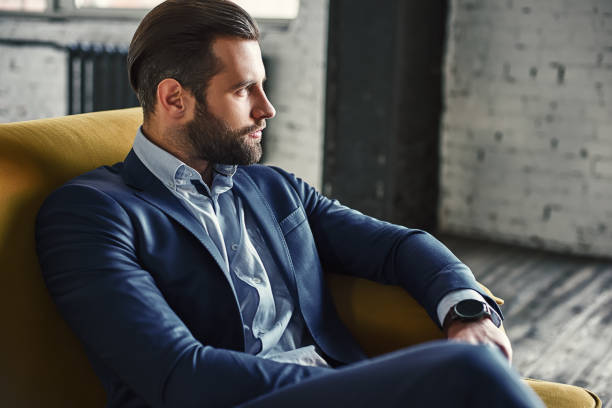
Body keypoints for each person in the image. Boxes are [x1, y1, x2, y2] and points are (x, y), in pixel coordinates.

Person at [35, 1, 544, 407]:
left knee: (470, 366)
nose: (267, 108)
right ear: (174, 100)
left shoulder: (273, 189)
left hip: (339, 386)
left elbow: (397, 247)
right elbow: (177, 373)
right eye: (243, 90)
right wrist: (363, 385)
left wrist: (468, 310)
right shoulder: (92, 214)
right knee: (468, 370)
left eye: (263, 85)